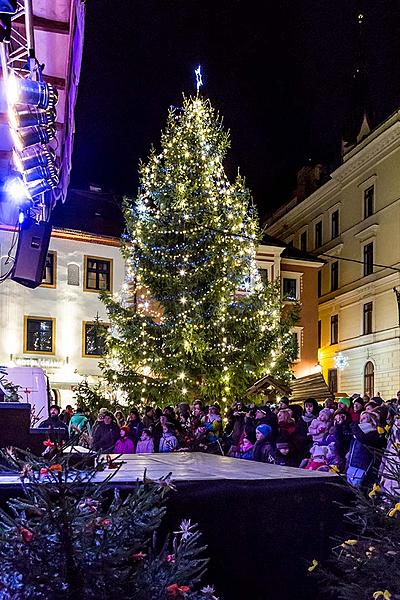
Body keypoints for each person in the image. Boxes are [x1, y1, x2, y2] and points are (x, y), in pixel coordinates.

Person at [346, 411, 386, 488]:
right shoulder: (356, 434)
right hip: (353, 468)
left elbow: (363, 438)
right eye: (360, 418)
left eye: (364, 418)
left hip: (366, 471)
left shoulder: (374, 433)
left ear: (372, 420)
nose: (361, 420)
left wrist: (355, 427)